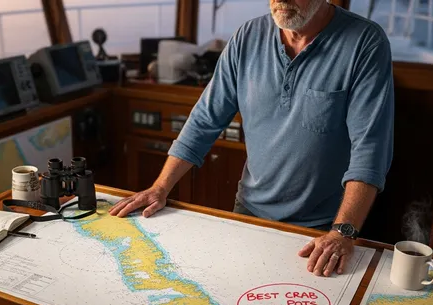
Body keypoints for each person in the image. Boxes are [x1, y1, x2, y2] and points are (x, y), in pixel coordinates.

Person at [110, 0, 394, 280]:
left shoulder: (365, 42)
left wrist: (342, 231)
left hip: (323, 228)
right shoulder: (247, 37)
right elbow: (204, 121)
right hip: (249, 211)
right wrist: (160, 187)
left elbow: (370, 149)